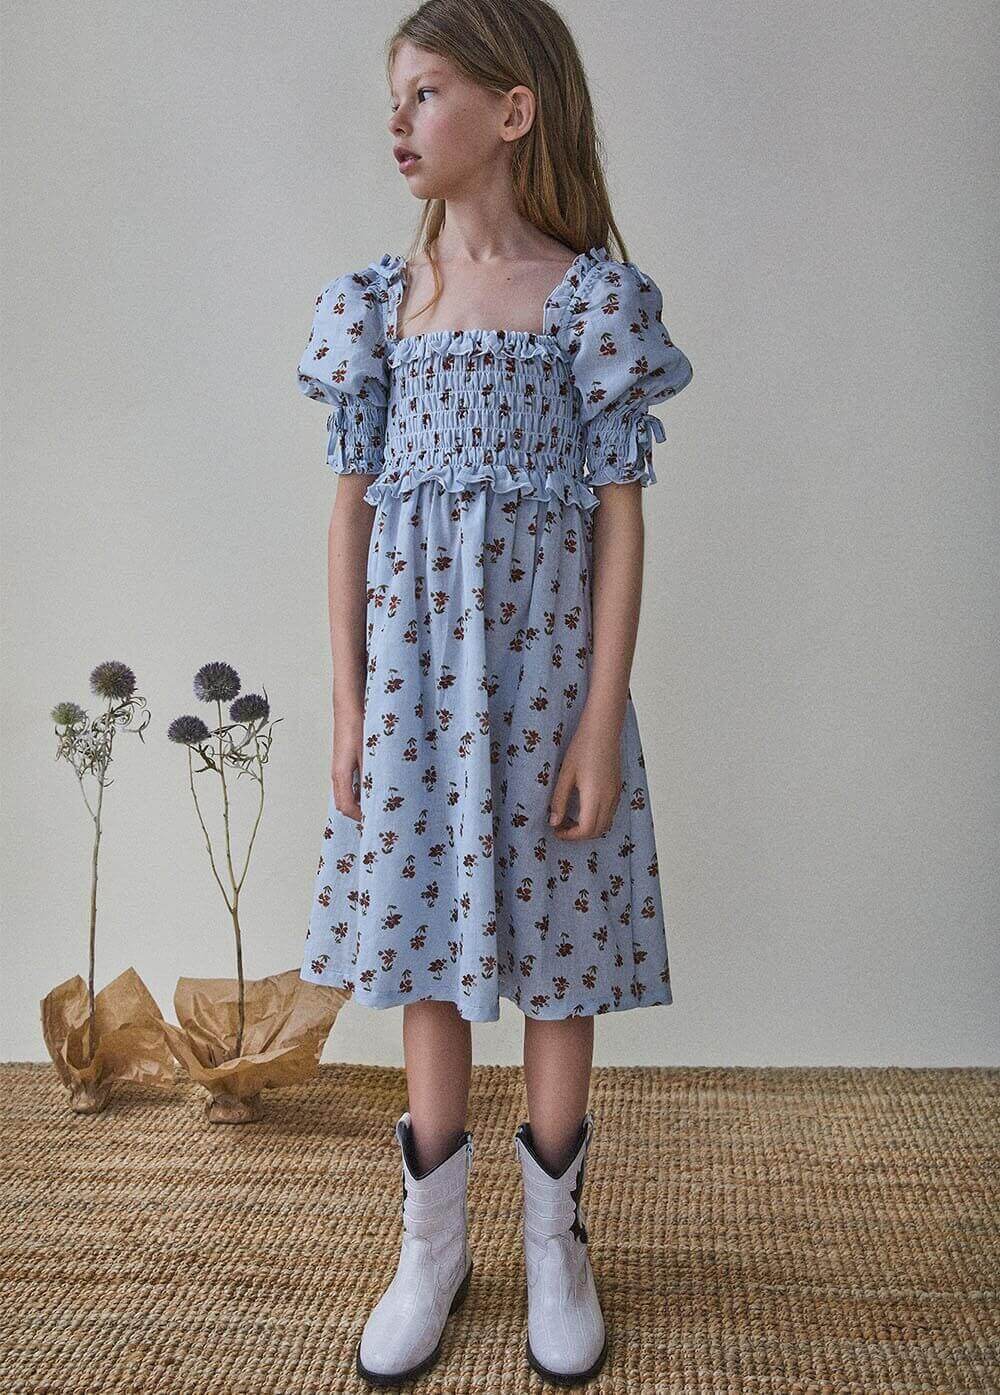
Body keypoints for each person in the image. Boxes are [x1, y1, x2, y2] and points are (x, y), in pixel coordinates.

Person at [295, 1, 693, 1385]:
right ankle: (431, 1245)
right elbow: (348, 517)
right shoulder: (378, 308)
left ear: (512, 111)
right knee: (426, 948)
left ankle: (552, 1242)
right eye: (395, 96)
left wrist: (599, 717)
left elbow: (621, 521)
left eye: (425, 93)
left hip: (547, 690)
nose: (397, 120)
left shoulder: (590, 303)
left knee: (559, 947)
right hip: (415, 693)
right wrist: (349, 706)